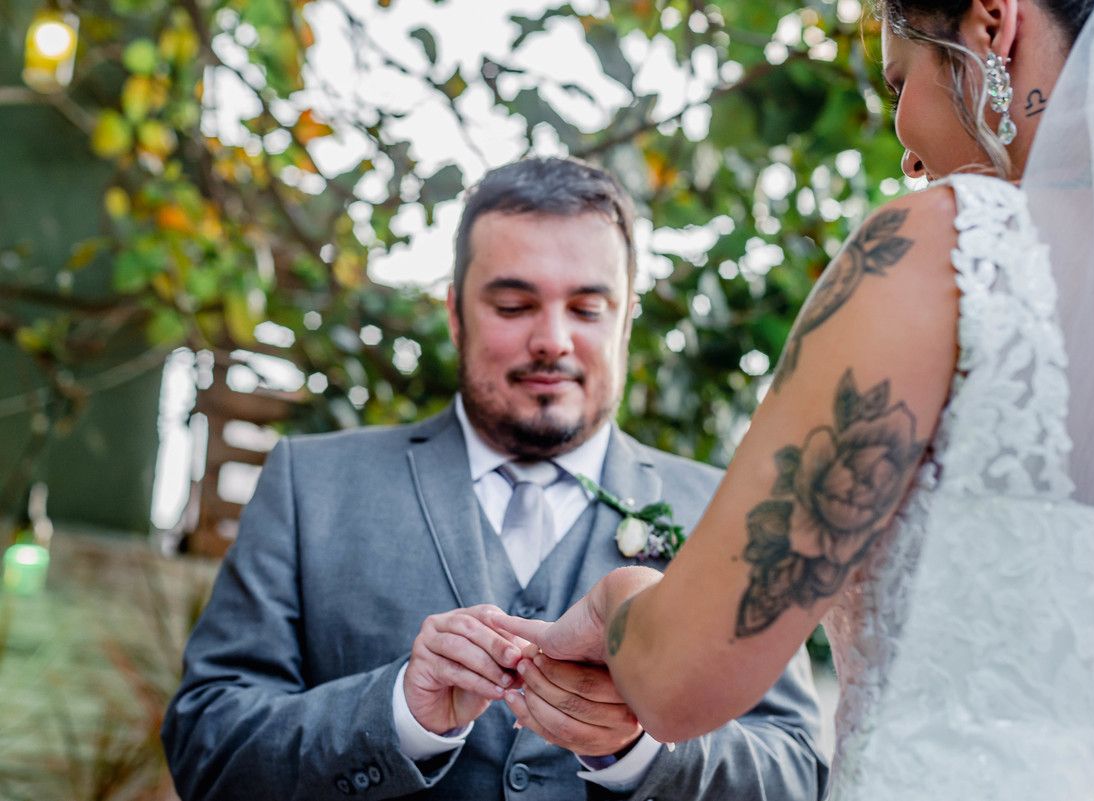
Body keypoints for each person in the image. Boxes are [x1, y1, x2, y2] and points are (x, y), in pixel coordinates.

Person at [494, 1, 1094, 798]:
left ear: (993, 24)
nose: (909, 153)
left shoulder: (937, 251)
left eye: (901, 80)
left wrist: (616, 599)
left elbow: (681, 679)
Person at [161, 157, 828, 801]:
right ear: (455, 314)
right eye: (513, 305)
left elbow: (798, 773)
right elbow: (206, 744)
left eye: (588, 308)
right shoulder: (310, 485)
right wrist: (398, 714)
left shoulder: (725, 512)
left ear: (626, 319)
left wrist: (641, 750)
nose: (553, 340)